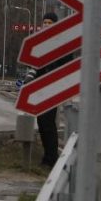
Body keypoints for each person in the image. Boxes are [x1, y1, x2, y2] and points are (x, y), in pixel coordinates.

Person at [35, 11, 73, 167]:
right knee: (42, 122)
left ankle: (51, 158)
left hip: (53, 88)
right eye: (45, 22)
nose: (46, 25)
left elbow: (66, 64)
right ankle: (48, 155)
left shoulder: (62, 43)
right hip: (41, 88)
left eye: (50, 23)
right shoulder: (39, 42)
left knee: (48, 122)